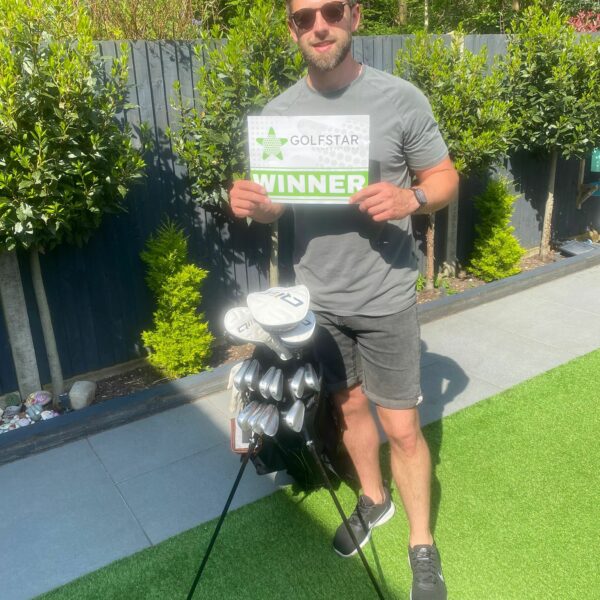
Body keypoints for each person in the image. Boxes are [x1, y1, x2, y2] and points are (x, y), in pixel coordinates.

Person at [229, 1, 459, 598]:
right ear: (292, 29)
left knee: (402, 428)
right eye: (303, 18)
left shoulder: (399, 99)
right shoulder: (280, 115)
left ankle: (421, 543)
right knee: (349, 406)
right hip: (319, 300)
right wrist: (257, 205)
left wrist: (411, 199)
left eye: (330, 11)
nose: (319, 26)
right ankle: (374, 499)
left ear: (353, 15)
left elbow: (444, 179)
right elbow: (278, 205)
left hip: (385, 295)